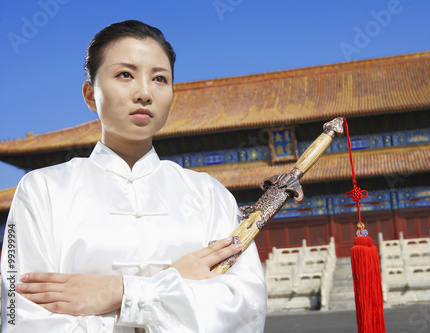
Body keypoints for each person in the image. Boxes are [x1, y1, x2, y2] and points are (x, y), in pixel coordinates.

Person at [0, 20, 267, 332]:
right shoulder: (42, 190)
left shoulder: (209, 194)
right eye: (125, 75)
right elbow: (20, 315)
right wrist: (175, 286)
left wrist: (120, 291)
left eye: (159, 79)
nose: (144, 93)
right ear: (90, 95)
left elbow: (245, 308)